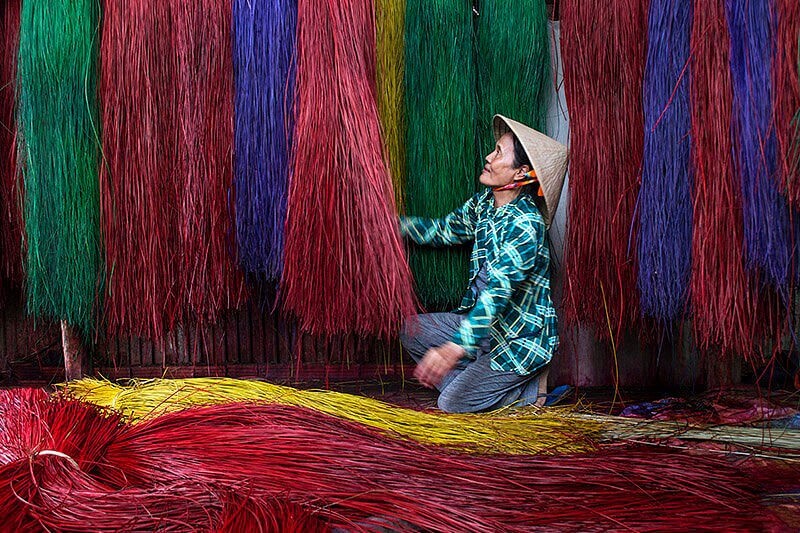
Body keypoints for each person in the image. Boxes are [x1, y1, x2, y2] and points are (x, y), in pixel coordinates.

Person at [399, 114, 569, 413]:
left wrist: (454, 348)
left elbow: (496, 294)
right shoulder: (482, 205)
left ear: (521, 173)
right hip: (483, 331)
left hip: (517, 342)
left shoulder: (526, 225)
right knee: (411, 330)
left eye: (499, 153)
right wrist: (391, 225)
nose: (489, 157)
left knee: (451, 403)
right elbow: (444, 231)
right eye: (494, 149)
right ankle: (478, 382)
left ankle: (527, 396)